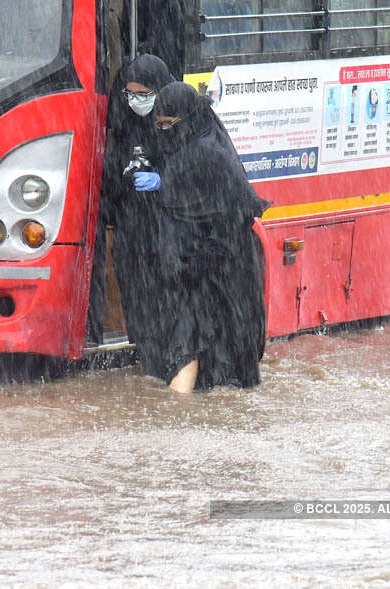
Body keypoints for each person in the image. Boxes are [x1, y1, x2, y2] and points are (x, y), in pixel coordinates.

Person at [139, 81, 269, 393]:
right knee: (196, 339)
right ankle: (188, 414)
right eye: (160, 125)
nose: (164, 131)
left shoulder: (207, 154)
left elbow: (225, 213)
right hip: (199, 268)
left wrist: (164, 182)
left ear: (187, 119)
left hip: (223, 268)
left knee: (210, 342)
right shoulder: (193, 146)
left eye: (169, 125)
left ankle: (182, 414)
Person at [86, 54, 175, 350]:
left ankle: (165, 347)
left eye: (143, 94)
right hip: (131, 221)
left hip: (163, 224)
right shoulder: (123, 120)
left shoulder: (175, 120)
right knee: (132, 282)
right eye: (130, 93)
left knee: (161, 288)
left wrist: (162, 180)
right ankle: (143, 346)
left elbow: (194, 169)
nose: (135, 100)